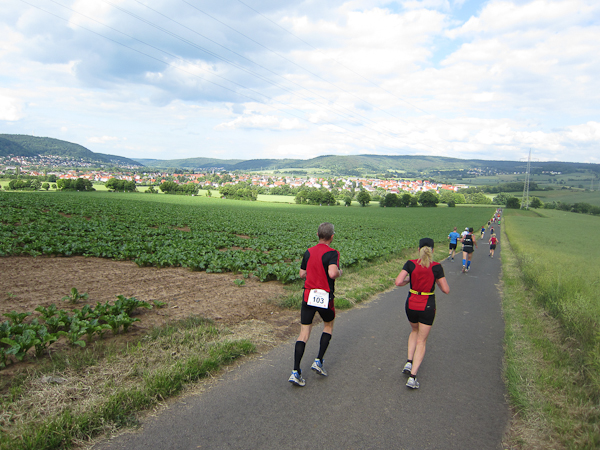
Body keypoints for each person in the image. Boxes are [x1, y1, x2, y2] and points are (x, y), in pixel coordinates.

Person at [289, 222, 342, 387]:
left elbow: (301, 274)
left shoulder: (309, 251)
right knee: (328, 325)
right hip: (324, 296)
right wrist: (340, 272)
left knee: (303, 334)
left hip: (308, 296)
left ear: (317, 235)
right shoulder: (333, 253)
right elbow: (332, 273)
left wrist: (312, 273)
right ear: (332, 237)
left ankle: (295, 372)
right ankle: (318, 361)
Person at [395, 238, 450, 389]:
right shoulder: (436, 267)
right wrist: (437, 282)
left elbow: (398, 282)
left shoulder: (410, 264)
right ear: (433, 250)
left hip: (411, 303)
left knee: (414, 330)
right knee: (422, 340)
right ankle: (412, 377)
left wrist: (409, 280)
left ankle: (409, 362)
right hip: (427, 304)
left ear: (418, 249)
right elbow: (446, 290)